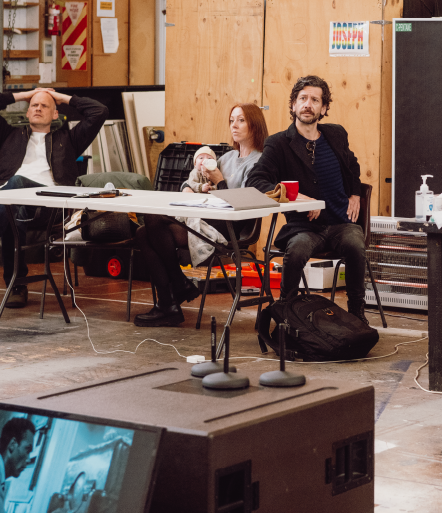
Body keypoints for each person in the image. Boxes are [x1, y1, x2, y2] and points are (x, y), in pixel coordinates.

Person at [0, 88, 107, 308]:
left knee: (18, 182)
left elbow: (99, 111)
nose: (38, 108)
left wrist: (63, 98)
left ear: (55, 114)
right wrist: (23, 95)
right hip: (11, 204)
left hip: (49, 206)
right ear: (27, 113)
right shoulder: (8, 136)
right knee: (14, 211)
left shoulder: (69, 139)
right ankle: (16, 285)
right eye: (34, 105)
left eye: (45, 106)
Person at [246, 75, 370, 323]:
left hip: (340, 223)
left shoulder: (335, 135)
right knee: (297, 249)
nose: (307, 104)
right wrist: (295, 197)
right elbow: (256, 181)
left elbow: (352, 166)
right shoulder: (278, 143)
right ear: (293, 104)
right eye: (302, 99)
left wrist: (355, 193)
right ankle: (286, 313)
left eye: (315, 100)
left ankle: (357, 313)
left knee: (356, 245)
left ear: (323, 108)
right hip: (304, 226)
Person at [132, 103, 268, 327]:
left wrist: (218, 181)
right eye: (232, 120)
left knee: (152, 220)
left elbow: (245, 206)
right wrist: (189, 186)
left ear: (255, 125)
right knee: (142, 232)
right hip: (205, 215)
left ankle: (173, 294)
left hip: (229, 225)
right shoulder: (226, 158)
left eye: (241, 120)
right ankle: (172, 300)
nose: (234, 125)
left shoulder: (258, 162)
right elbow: (192, 180)